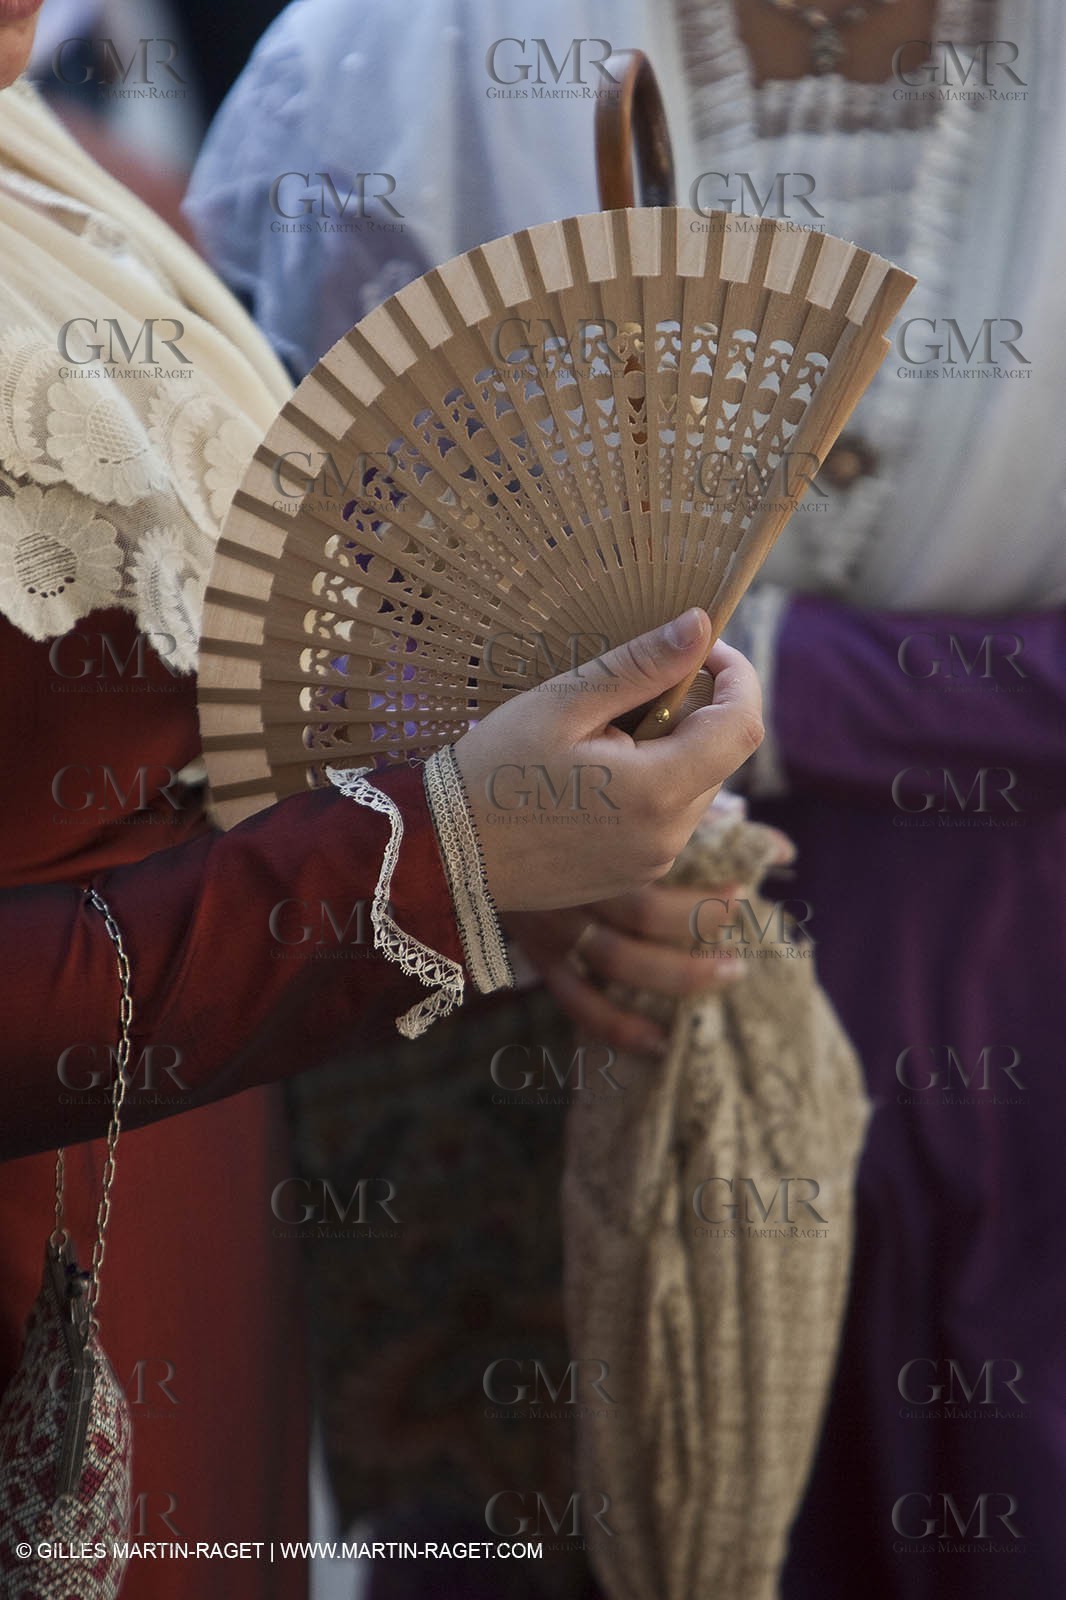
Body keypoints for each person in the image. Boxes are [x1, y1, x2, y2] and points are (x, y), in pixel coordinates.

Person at [187, 1, 1066, 1597]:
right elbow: (277, 589)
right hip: (537, 1037)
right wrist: (487, 848)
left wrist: (789, 682)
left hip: (1021, 1018)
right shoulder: (411, 58)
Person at [0, 11, 766, 1600]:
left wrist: (514, 841)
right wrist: (426, 870)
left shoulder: (40, 165)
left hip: (188, 1182)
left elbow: (179, 754)